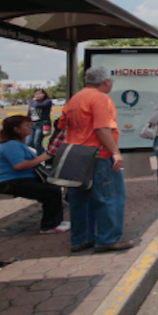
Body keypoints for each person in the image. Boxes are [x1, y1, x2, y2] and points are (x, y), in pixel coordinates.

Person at [57, 66, 133, 253]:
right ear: (106, 81)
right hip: (98, 156)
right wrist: (115, 152)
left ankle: (81, 239)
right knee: (109, 197)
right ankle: (108, 239)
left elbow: (61, 125)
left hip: (77, 156)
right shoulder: (100, 98)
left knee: (79, 200)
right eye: (111, 81)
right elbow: (101, 128)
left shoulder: (75, 99)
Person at [0, 115, 69, 234]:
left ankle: (57, 220)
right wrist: (43, 157)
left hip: (22, 180)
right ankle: (49, 226)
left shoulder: (18, 143)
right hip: (11, 182)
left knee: (53, 188)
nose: (30, 127)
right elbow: (19, 165)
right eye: (26, 125)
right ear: (16, 129)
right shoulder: (11, 145)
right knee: (51, 192)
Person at [26, 89, 52, 156]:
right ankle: (44, 153)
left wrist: (34, 101)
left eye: (39, 94)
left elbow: (38, 106)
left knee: (37, 142)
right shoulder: (33, 102)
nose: (37, 95)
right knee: (28, 142)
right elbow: (29, 112)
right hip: (32, 124)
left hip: (42, 124)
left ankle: (40, 158)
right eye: (36, 94)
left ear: (44, 94)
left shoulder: (47, 102)